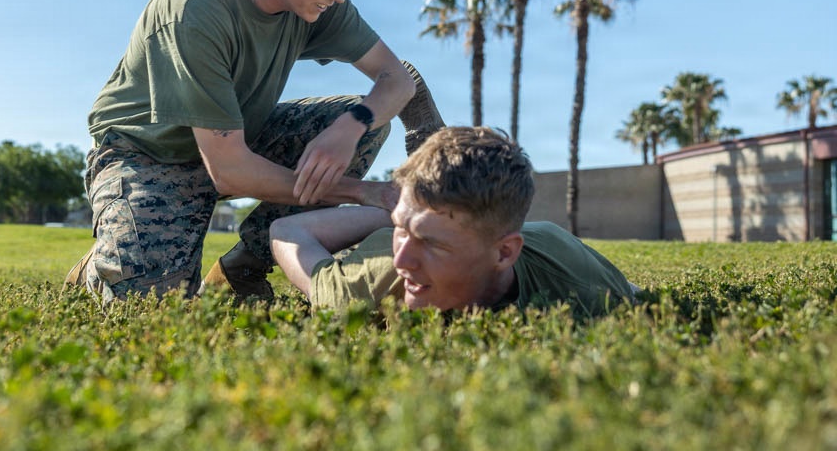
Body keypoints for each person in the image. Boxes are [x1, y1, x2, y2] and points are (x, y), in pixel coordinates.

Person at [65, 0, 438, 306]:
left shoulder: (319, 2)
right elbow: (231, 171)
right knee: (152, 304)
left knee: (368, 123)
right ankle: (102, 263)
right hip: (146, 156)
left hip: (236, 138)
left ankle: (241, 268)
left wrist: (350, 128)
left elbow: (397, 79)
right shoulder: (199, 6)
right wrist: (365, 192)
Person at [270, 126, 637, 316]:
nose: (403, 262)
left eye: (432, 244)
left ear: (504, 254)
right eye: (402, 233)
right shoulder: (377, 277)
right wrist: (392, 216)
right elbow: (287, 231)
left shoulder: (583, 286)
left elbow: (634, 298)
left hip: (535, 239)